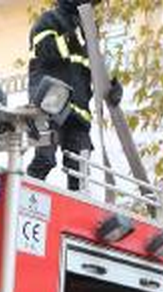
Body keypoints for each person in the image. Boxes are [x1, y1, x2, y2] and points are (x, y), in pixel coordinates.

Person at [26, 0, 122, 190]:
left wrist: (111, 88)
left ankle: (76, 214)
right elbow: (46, 51)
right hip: (51, 107)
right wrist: (72, 35)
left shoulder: (89, 35)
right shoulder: (48, 20)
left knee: (80, 174)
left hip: (79, 115)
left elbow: (95, 69)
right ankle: (24, 199)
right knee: (45, 159)